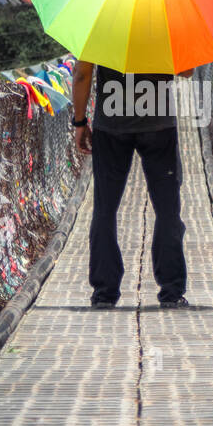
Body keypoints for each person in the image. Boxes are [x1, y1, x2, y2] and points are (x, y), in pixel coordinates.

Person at [71, 60, 192, 309]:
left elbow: (82, 74)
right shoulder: (166, 23)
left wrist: (80, 123)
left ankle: (104, 293)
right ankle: (171, 290)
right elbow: (187, 71)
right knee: (167, 209)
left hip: (111, 126)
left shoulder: (98, 23)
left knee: (104, 209)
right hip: (158, 125)